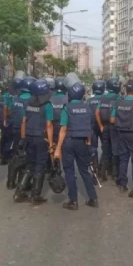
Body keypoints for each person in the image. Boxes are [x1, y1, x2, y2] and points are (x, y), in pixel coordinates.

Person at [53, 81, 99, 210]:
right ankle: (93, 198)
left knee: (69, 171)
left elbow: (63, 129)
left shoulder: (66, 108)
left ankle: (73, 201)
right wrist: (89, 143)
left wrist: (57, 149)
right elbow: (89, 128)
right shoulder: (87, 108)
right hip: (82, 143)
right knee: (84, 170)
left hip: (68, 142)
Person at [14, 79, 53, 204]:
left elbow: (24, 122)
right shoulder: (47, 106)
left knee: (30, 164)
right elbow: (49, 126)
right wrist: (51, 143)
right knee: (40, 165)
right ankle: (35, 195)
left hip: (29, 137)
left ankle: (19, 192)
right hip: (41, 138)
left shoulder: (27, 103)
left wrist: (23, 138)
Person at [110, 80, 133, 195]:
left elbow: (112, 120)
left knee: (123, 159)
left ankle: (122, 184)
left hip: (121, 134)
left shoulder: (118, 103)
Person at [6, 76, 33, 189]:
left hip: (15, 129)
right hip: (27, 131)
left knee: (16, 155)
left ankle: (10, 181)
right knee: (26, 157)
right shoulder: (32, 99)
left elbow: (9, 111)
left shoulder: (16, 98)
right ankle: (23, 183)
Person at [95, 77, 120, 182]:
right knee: (115, 150)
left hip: (104, 127)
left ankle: (101, 173)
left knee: (105, 150)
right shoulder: (118, 98)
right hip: (115, 128)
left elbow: (96, 112)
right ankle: (114, 174)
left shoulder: (103, 98)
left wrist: (100, 125)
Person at [87, 81, 106, 171]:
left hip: (92, 127)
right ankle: (103, 167)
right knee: (105, 147)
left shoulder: (89, 101)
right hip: (103, 126)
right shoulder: (105, 99)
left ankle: (95, 167)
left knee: (93, 148)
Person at [0, 82, 15, 165]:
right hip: (8, 120)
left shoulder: (1, 97)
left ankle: (2, 154)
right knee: (9, 139)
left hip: (1, 121)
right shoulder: (11, 97)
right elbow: (6, 110)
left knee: (4, 138)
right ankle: (5, 156)